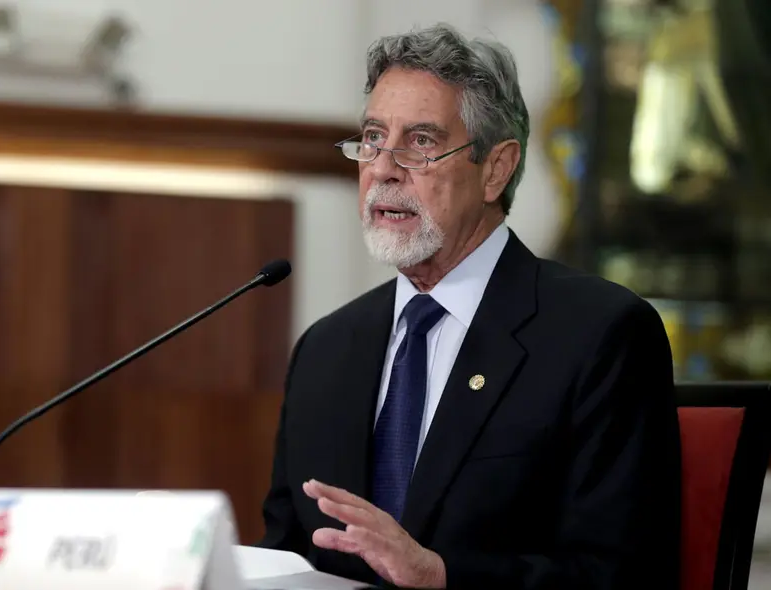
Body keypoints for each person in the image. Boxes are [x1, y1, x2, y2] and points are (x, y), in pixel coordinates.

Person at [257, 22, 681, 590]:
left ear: (497, 169)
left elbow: (622, 575)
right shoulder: (325, 349)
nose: (383, 168)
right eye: (374, 138)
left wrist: (440, 573)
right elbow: (286, 556)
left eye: (422, 143)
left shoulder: (600, 336)